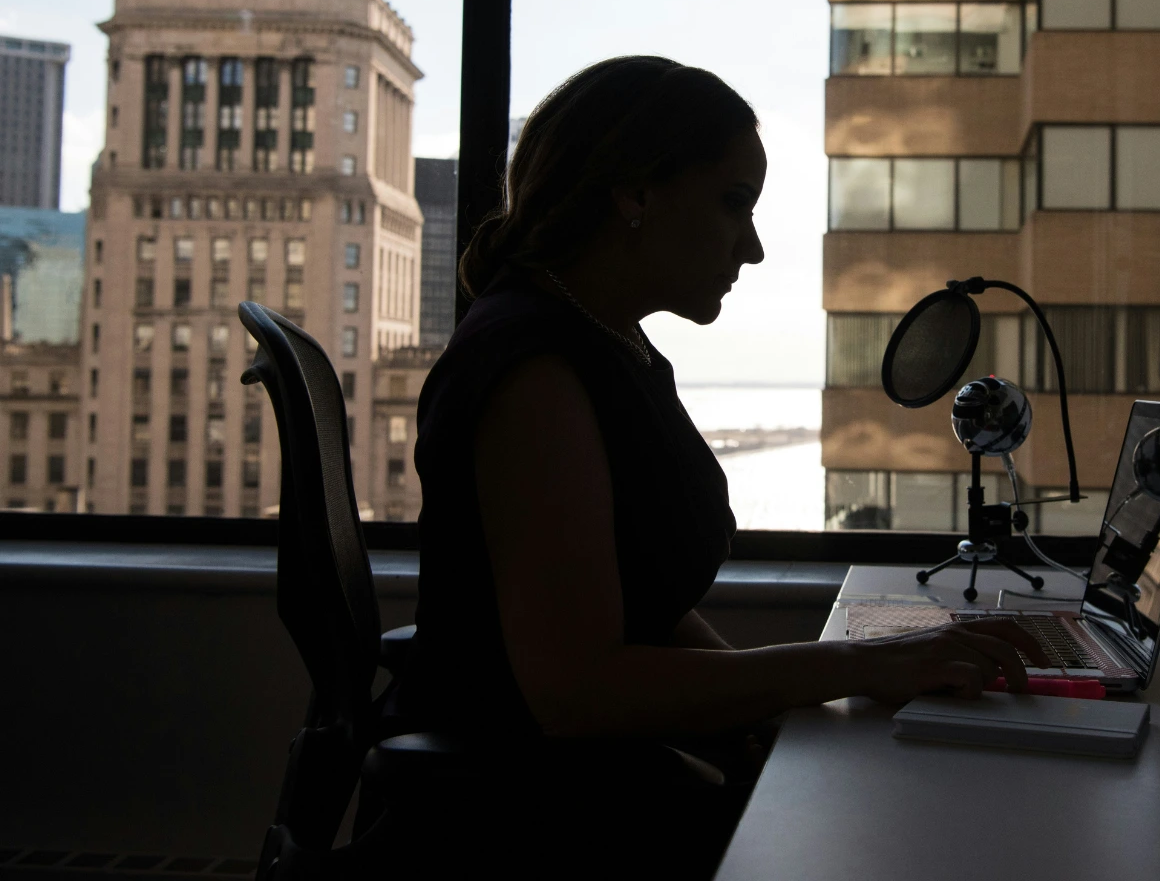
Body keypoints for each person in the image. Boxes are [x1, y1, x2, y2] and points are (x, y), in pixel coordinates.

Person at [404, 55, 1046, 874]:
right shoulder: (534, 373)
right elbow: (576, 691)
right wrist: (844, 668)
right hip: (522, 821)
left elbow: (642, 598)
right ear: (634, 193)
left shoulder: (612, 346)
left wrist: (765, 709)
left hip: (591, 783)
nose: (753, 246)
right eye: (733, 202)